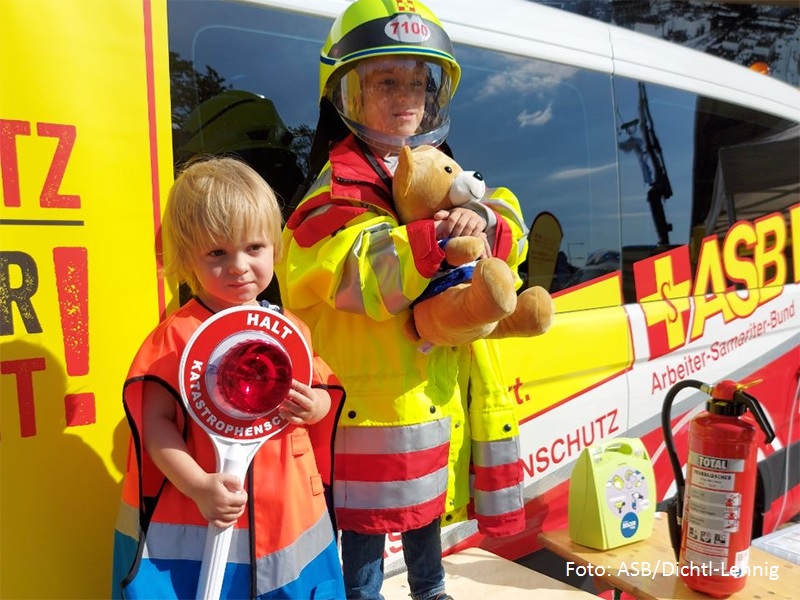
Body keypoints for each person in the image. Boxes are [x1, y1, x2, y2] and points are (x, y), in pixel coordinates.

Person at [276, 2, 530, 599]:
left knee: (425, 535)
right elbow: (361, 279)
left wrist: (483, 221)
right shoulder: (333, 193)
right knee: (364, 549)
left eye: (418, 81)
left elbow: (510, 231)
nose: (407, 97)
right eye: (387, 81)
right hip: (365, 417)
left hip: (423, 411)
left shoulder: (438, 171)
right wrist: (441, 237)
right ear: (346, 91)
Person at [111, 157, 345, 600]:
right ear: (186, 258)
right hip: (202, 528)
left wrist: (316, 406)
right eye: (217, 253)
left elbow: (321, 393)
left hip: (290, 526)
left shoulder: (290, 329)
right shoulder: (177, 338)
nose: (239, 266)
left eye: (254, 248)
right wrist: (198, 485)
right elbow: (154, 423)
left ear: (274, 248)